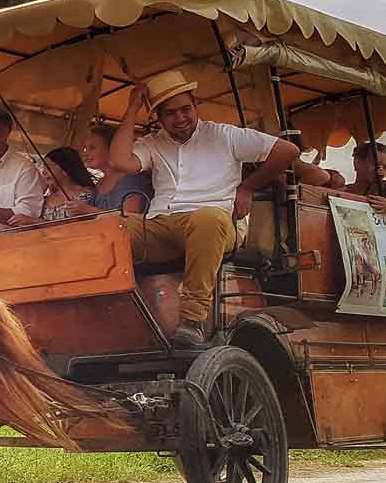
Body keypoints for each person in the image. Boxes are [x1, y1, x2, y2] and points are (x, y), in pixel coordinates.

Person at [105, 70, 300, 345]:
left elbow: (287, 151)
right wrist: (132, 108)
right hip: (162, 224)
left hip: (216, 225)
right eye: (170, 113)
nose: (180, 118)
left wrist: (247, 187)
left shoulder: (225, 135)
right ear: (158, 118)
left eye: (186, 109)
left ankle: (193, 319)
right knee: (109, 226)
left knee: (207, 219)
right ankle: (109, 316)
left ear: (196, 105)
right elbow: (119, 163)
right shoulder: (152, 142)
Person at [79, 125, 152, 214]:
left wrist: (89, 211)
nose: (86, 153)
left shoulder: (133, 179)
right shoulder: (100, 184)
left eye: (92, 148)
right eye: (85, 149)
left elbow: (128, 218)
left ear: (112, 149)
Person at [27, 147, 98, 223]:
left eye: (49, 166)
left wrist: (35, 222)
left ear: (65, 170)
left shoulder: (86, 194)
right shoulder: (43, 200)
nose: (44, 172)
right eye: (44, 167)